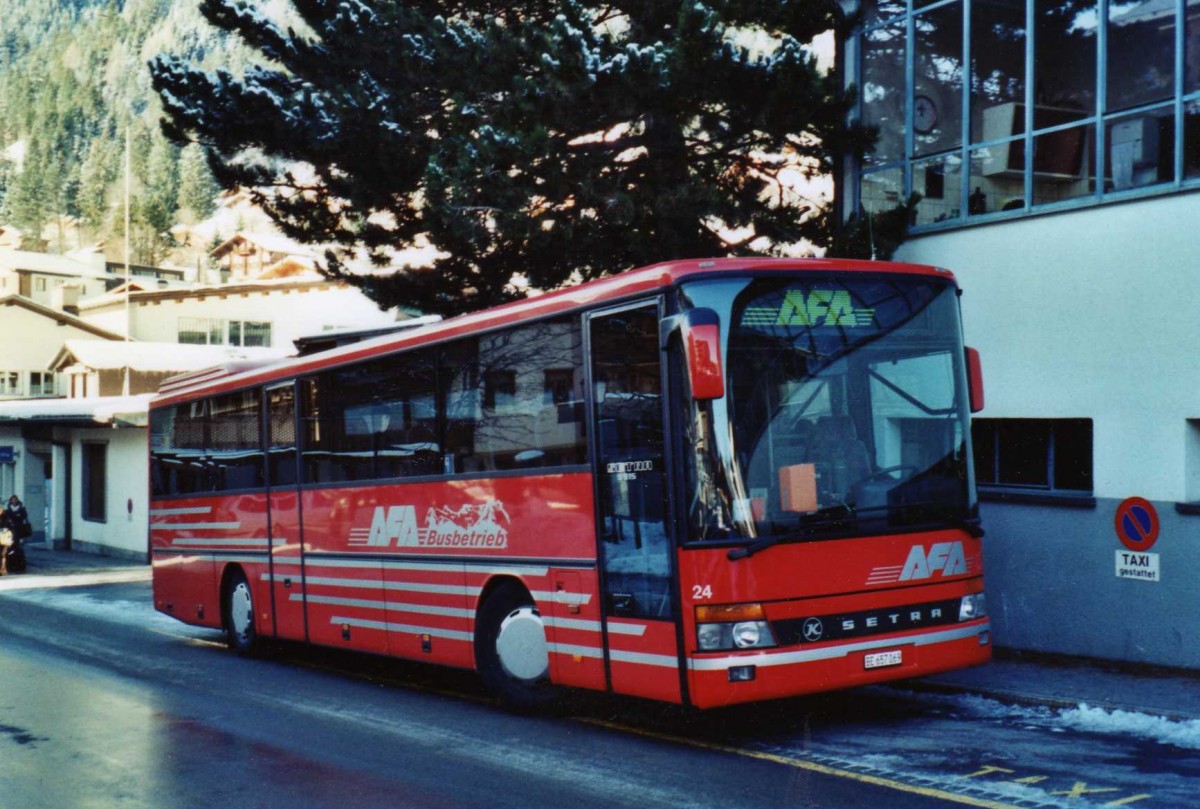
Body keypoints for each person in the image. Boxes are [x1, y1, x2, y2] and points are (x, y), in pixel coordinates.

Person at [0, 494, 30, 575]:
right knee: (7, 548)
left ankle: (17, 563)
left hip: (18, 530)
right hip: (9, 531)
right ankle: (8, 564)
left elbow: (24, 516)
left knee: (17, 546)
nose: (14, 501)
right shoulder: (7, 510)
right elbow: (4, 520)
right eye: (13, 500)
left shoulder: (21, 508)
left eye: (15, 499)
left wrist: (17, 517)